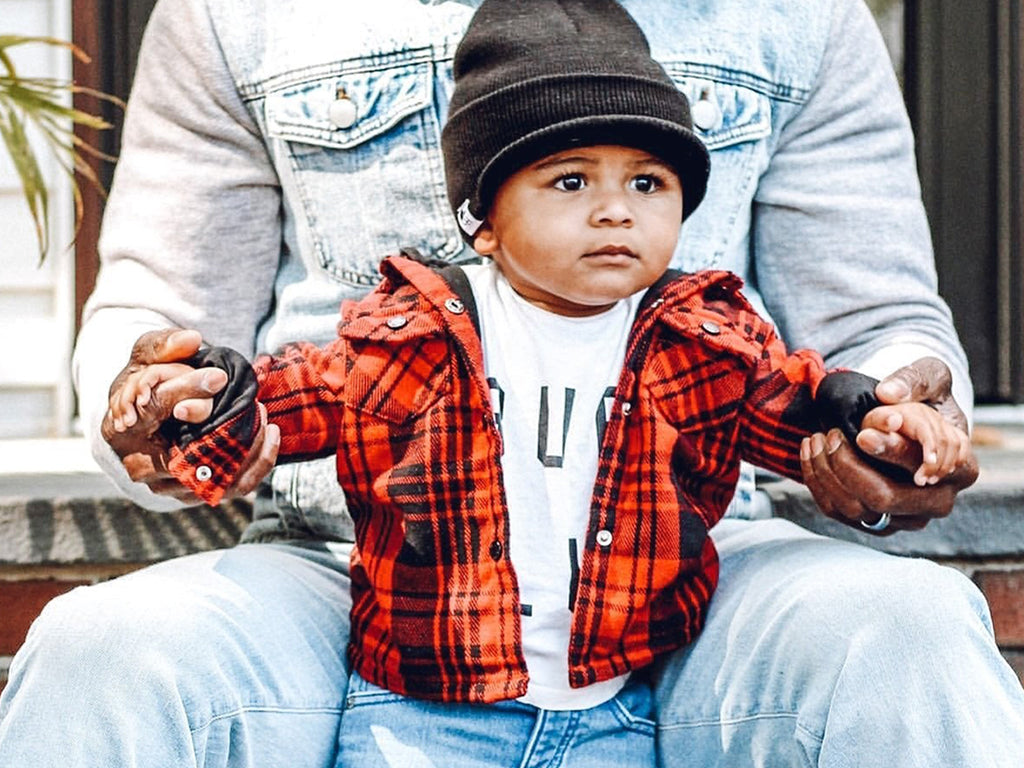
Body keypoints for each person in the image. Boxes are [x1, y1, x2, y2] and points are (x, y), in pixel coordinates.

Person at [0, 0, 1021, 765]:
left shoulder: (797, 14)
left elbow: (868, 331)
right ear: (478, 219)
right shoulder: (236, 10)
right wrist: (169, 412)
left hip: (694, 565)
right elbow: (171, 330)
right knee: (107, 649)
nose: (613, 212)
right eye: (572, 181)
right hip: (343, 564)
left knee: (910, 633)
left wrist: (895, 419)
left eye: (646, 183)